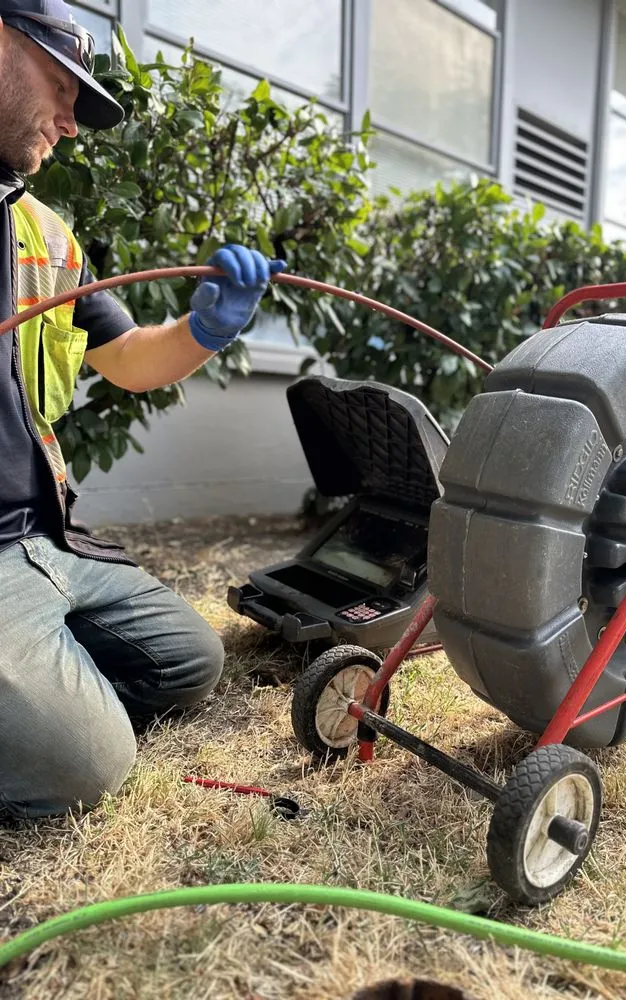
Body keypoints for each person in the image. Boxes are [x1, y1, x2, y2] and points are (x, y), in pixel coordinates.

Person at [0, 0, 286, 820]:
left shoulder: (46, 238)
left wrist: (203, 328)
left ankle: (39, 676)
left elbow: (128, 361)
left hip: (43, 539)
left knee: (189, 659)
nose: (72, 123)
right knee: (88, 766)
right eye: (61, 85)